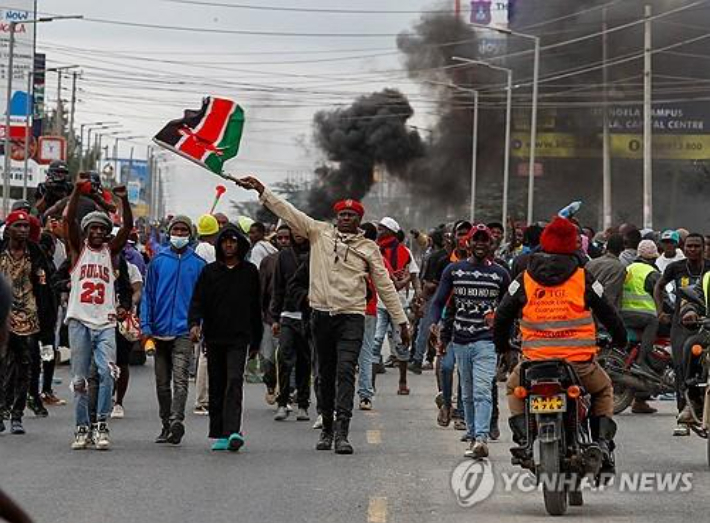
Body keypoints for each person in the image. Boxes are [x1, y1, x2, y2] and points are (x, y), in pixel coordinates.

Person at [237, 176, 409, 455]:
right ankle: (327, 427)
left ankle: (342, 432)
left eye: (351, 215)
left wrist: (401, 321)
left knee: (345, 373)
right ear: (336, 217)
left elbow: (385, 284)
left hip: (351, 316)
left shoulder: (368, 248)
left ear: (359, 220)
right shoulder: (319, 233)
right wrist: (262, 190)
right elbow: (288, 211)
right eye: (341, 214)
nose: (345, 218)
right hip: (320, 316)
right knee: (324, 374)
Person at [495, 217, 627, 476]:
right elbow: (609, 313)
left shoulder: (525, 278)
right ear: (573, 245)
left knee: (513, 387)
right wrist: (620, 340)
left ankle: (523, 440)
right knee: (603, 390)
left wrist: (502, 346)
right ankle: (601, 443)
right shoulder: (583, 277)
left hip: (535, 364)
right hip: (578, 365)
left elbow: (502, 316)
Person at [432, 224, 510, 459]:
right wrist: (434, 324)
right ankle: (474, 434)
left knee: (482, 390)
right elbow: (438, 301)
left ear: (491, 245)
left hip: (486, 341)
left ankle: (481, 438)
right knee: (466, 392)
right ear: (468, 242)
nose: (480, 244)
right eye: (476, 239)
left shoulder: (500, 274)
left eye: (484, 240)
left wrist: (506, 336)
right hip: (460, 339)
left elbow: (510, 306)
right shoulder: (454, 271)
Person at [65, 181, 132, 450]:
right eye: (93, 227)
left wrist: (124, 201)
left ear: (106, 234)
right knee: (80, 379)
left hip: (105, 322)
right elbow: (68, 218)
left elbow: (126, 228)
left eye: (102, 229)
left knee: (107, 373)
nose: (97, 232)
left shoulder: (110, 252)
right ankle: (81, 427)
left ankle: (100, 425)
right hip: (79, 320)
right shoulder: (76, 251)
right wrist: (76, 192)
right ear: (85, 231)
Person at [189, 224, 262, 452]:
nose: (229, 245)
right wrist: (194, 324)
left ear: (240, 244)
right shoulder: (210, 272)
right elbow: (198, 301)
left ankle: (233, 431)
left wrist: (256, 340)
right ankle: (219, 432)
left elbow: (255, 307)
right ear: (219, 244)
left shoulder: (250, 272)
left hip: (239, 338)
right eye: (225, 241)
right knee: (218, 383)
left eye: (233, 241)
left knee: (234, 382)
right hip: (214, 337)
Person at [141, 215, 206, 445]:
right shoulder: (158, 261)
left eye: (183, 230)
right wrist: (146, 326)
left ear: (190, 234)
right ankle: (165, 424)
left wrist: (199, 326)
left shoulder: (199, 265)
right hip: (158, 331)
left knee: (180, 380)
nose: (179, 234)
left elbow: (203, 301)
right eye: (176, 230)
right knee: (161, 383)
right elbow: (147, 296)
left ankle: (177, 421)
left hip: (184, 332)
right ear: (169, 233)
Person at [0, 211, 56, 434]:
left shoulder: (35, 252)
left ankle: (17, 414)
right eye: (18, 226)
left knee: (26, 366)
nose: (23, 230)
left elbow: (44, 286)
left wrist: (46, 321)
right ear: (9, 229)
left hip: (28, 317)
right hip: (2, 316)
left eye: (26, 226)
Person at [654, 233, 710, 436]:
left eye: (697, 246)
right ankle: (684, 413)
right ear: (684, 248)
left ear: (704, 248)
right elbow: (660, 287)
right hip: (684, 325)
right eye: (689, 246)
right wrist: (661, 312)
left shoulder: (709, 269)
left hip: (706, 327)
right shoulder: (675, 268)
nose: (692, 250)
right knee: (683, 364)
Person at [372, 217, 420, 395]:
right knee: (375, 342)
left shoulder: (405, 252)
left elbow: (414, 274)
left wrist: (417, 294)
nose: (379, 232)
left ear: (391, 232)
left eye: (382, 229)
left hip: (399, 304)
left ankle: (403, 381)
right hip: (377, 303)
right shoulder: (374, 251)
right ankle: (370, 385)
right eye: (379, 229)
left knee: (401, 343)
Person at [271, 229, 311, 421]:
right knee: (284, 358)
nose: (297, 233)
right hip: (287, 314)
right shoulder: (285, 255)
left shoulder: (316, 251)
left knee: (305, 360)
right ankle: (282, 402)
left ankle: (303, 404)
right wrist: (275, 317)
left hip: (309, 315)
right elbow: (277, 287)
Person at [620, 239, 662, 414]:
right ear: (653, 257)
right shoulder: (652, 273)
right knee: (655, 322)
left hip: (624, 315)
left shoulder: (628, 268)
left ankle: (640, 400)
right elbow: (663, 298)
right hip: (643, 318)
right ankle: (643, 360)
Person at [258, 226, 290, 406]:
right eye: (280, 238)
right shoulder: (268, 262)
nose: (284, 241)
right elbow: (262, 291)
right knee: (268, 358)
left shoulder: (301, 260)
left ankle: (287, 393)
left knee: (287, 358)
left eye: (287, 238)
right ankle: (270, 385)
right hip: (270, 317)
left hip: (292, 317)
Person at [192, 214, 219, 416]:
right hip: (207, 305)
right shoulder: (209, 250)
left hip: (197, 304)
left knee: (201, 352)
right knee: (205, 354)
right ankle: (202, 399)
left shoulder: (196, 249)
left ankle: (204, 397)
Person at [586, 233, 626, 311]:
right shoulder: (618, 268)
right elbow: (610, 295)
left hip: (586, 309)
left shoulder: (590, 263)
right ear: (622, 249)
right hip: (603, 314)